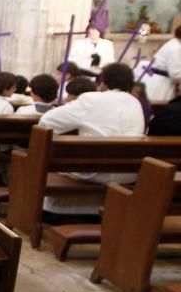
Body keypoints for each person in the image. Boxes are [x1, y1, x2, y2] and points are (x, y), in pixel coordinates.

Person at [38, 63, 145, 222]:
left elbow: (46, 122)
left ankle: (56, 212)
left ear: (104, 83)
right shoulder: (135, 103)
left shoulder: (92, 99)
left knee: (54, 159)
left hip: (94, 170)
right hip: (128, 173)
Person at [135, 25, 181, 101]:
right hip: (160, 85)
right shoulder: (176, 48)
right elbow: (175, 74)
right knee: (157, 109)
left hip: (161, 81)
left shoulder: (175, 43)